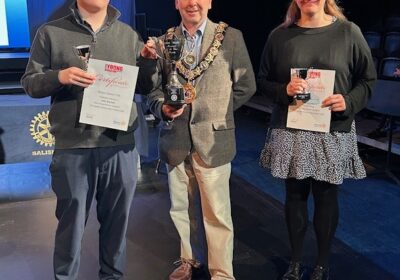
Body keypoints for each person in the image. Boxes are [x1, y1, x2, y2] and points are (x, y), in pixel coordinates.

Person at [21, 0, 158, 279]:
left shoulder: (128, 35)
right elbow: (30, 83)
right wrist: (58, 76)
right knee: (70, 228)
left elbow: (145, 86)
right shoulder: (50, 32)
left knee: (117, 227)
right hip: (74, 148)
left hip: (119, 146)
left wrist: (147, 61)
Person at [257, 0, 376, 280]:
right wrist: (283, 90)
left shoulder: (348, 32)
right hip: (291, 129)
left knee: (326, 197)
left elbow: (368, 80)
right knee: (294, 196)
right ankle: (295, 262)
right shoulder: (279, 35)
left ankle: (322, 265)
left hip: (332, 130)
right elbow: (262, 80)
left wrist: (348, 101)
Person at [147, 0, 256, 279]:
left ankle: (221, 272)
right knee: (181, 207)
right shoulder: (163, 41)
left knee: (217, 213)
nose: (192, 3)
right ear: (176, 3)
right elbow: (153, 91)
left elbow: (246, 85)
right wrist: (164, 109)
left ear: (209, 2)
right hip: (175, 138)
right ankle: (188, 259)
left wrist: (218, 113)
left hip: (214, 139)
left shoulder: (231, 37)